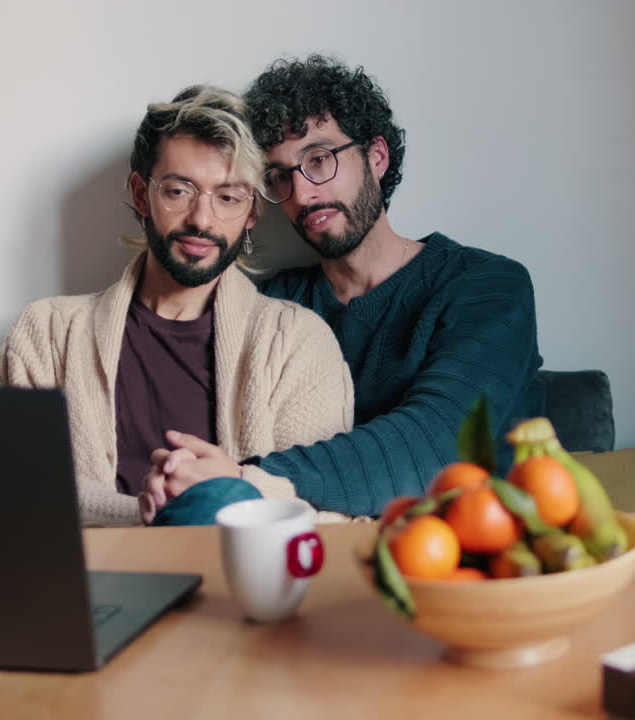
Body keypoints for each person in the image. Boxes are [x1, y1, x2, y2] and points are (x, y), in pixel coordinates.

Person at [152, 56, 545, 518]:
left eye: (319, 159)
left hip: (468, 556)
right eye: (279, 176)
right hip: (308, 550)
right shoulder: (275, 306)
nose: (301, 193)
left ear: (377, 157)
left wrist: (245, 479)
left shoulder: (488, 286)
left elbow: (438, 447)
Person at [0, 85, 353, 527]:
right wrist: (158, 515)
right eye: (179, 191)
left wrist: (220, 493)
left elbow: (319, 513)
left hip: (239, 591)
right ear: (142, 195)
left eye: (228, 197)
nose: (202, 220)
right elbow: (20, 494)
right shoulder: (46, 334)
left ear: (252, 212)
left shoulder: (297, 342)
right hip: (87, 588)